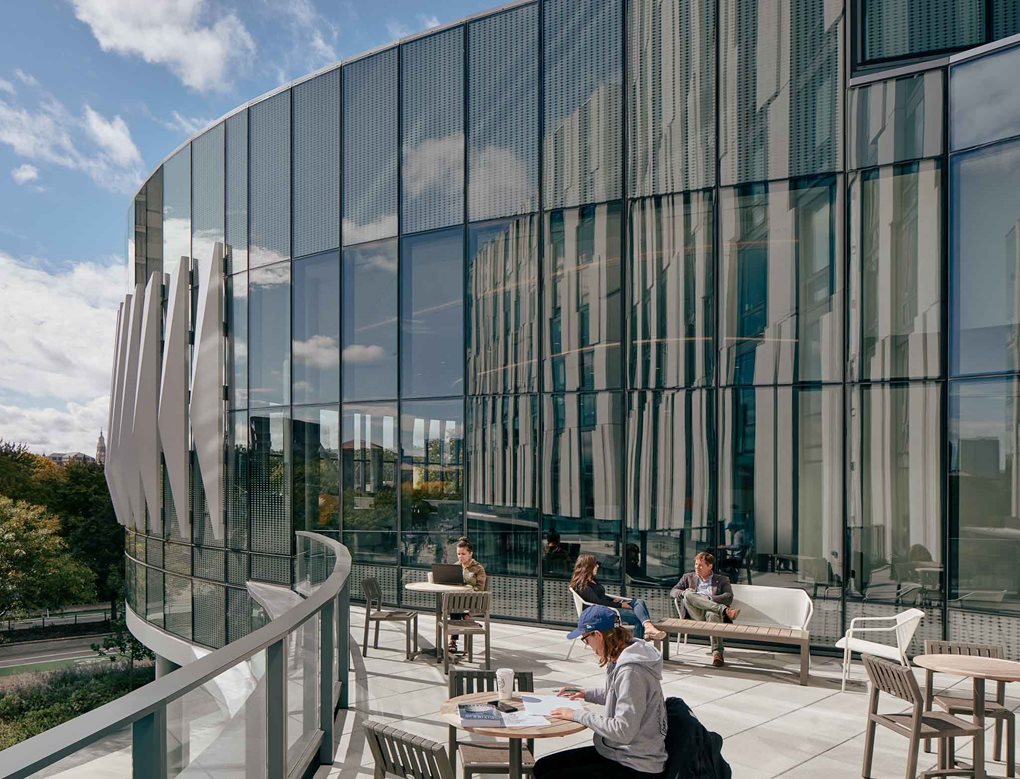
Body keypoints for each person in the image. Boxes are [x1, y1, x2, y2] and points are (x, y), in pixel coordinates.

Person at [533, 605, 668, 778]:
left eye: (585, 639)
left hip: (637, 764)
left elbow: (623, 731)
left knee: (549, 775)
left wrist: (577, 714)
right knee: (543, 766)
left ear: (597, 635)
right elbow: (618, 694)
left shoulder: (632, 671)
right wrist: (585, 693)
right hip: (619, 753)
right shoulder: (622, 656)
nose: (587, 645)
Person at [570, 553, 666, 641]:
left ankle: (648, 627)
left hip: (608, 608)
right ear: (588, 567)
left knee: (639, 602)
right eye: (595, 565)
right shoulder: (582, 585)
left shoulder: (592, 580)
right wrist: (620, 605)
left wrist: (614, 600)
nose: (598, 566)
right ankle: (640, 641)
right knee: (637, 618)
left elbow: (602, 596)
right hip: (601, 614)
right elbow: (598, 602)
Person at [669, 551, 740, 668]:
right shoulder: (688, 577)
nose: (697, 567)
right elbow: (673, 591)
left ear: (710, 566)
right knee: (688, 594)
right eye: (696, 564)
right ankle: (724, 610)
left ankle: (717, 654)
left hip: (710, 614)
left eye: (701, 565)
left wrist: (709, 598)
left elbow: (728, 597)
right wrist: (683, 593)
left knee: (713, 615)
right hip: (694, 613)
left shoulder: (722, 579)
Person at [448, 537, 486, 655]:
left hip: (473, 600)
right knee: (454, 605)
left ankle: (453, 641)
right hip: (458, 601)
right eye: (458, 554)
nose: (460, 557)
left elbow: (480, 589)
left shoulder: (478, 568)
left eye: (463, 554)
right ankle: (466, 618)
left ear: (470, 553)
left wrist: (467, 591)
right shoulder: (456, 566)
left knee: (454, 608)